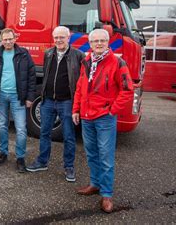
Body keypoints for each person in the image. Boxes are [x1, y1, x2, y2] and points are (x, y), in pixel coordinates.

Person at [72, 28, 133, 213]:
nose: (99, 44)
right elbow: (80, 87)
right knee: (91, 154)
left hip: (104, 118)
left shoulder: (117, 62)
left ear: (108, 42)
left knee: (106, 157)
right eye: (95, 41)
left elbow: (127, 90)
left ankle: (106, 194)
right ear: (90, 44)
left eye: (102, 41)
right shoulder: (87, 61)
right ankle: (95, 184)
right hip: (87, 116)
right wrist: (76, 109)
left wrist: (112, 110)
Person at [26, 26, 84, 182]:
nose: (58, 40)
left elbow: (81, 81)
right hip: (48, 101)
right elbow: (47, 75)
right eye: (56, 37)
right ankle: (42, 162)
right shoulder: (49, 53)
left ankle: (69, 167)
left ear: (68, 38)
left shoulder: (78, 55)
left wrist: (78, 104)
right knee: (44, 133)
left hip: (67, 102)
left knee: (68, 136)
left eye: (62, 37)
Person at [0, 28, 36, 173]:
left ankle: (20, 157)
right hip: (0, 96)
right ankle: (3, 153)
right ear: (2, 40)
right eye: (5, 39)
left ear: (15, 39)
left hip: (18, 97)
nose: (8, 41)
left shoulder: (24, 54)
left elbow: (31, 77)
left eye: (10, 39)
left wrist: (30, 97)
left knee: (21, 129)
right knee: (1, 126)